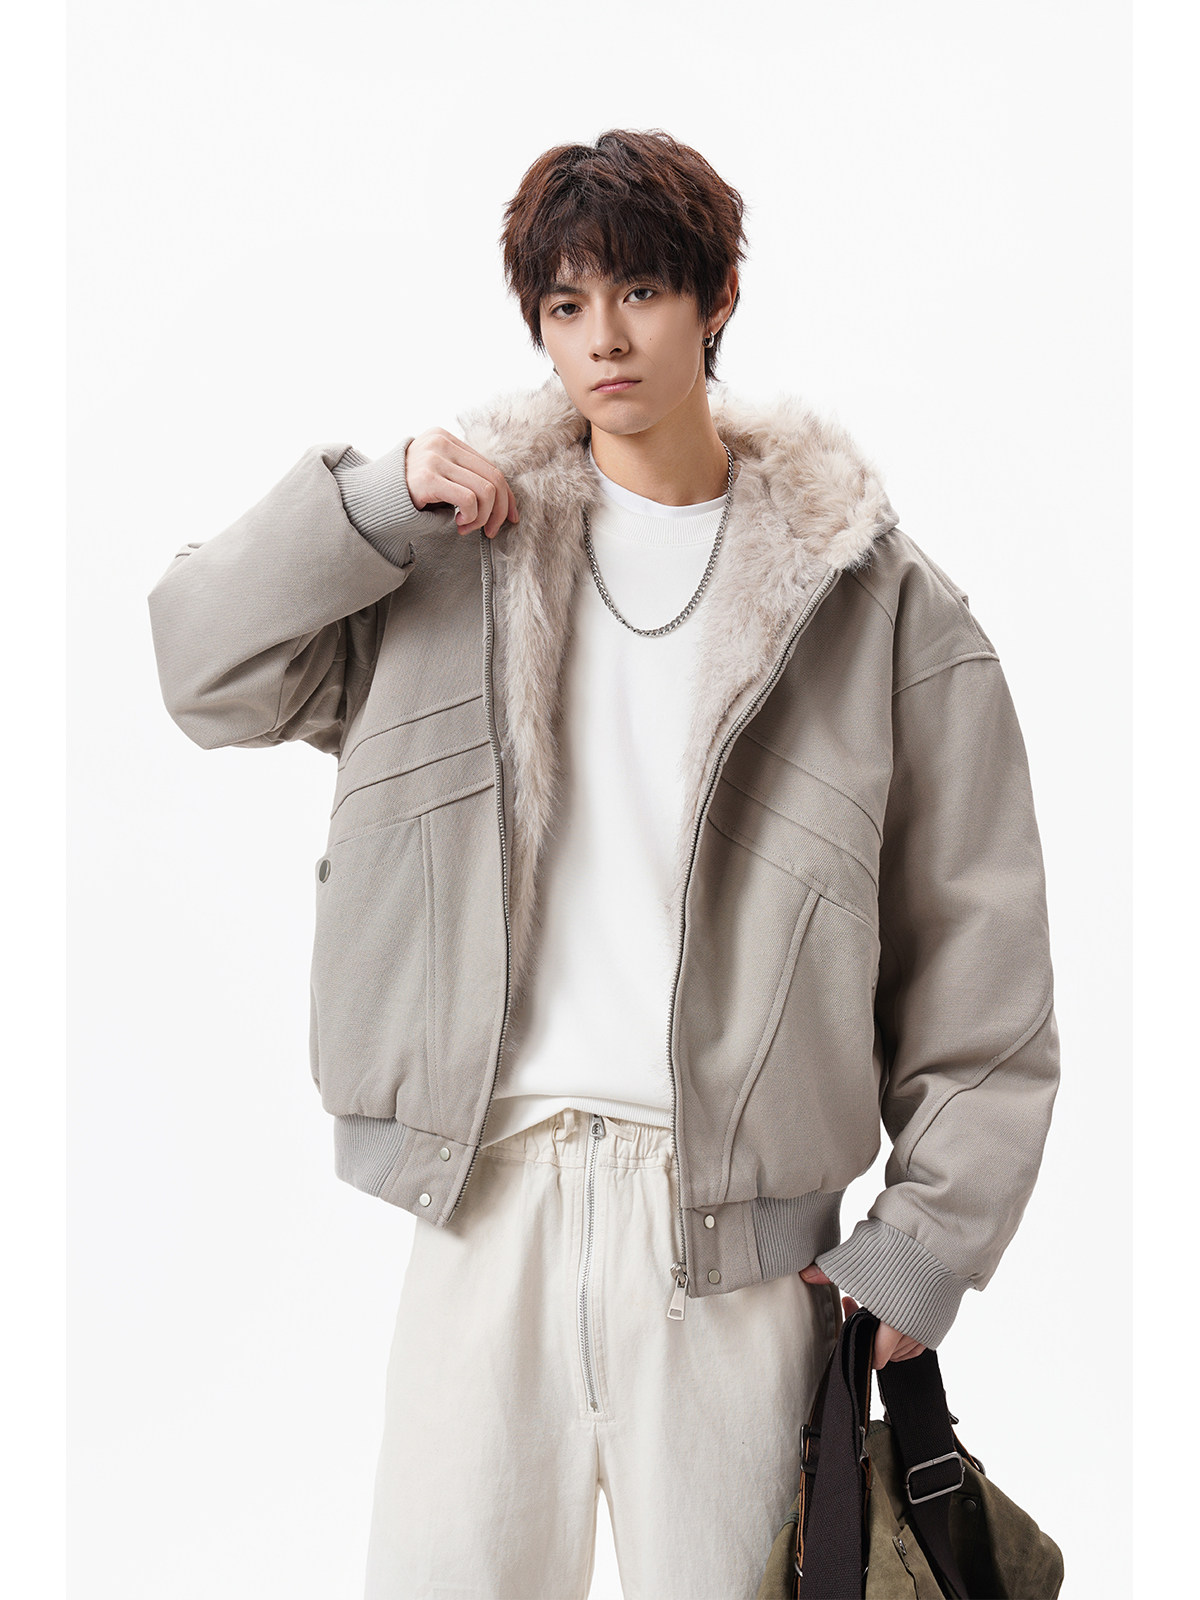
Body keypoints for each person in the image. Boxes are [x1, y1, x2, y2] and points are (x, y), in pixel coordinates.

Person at [146, 128, 1061, 1599]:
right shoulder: (454, 551)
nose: (605, 339)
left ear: (717, 297)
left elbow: (982, 953)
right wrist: (369, 502)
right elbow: (201, 669)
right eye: (566, 305)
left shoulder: (874, 600)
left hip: (735, 1254)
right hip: (484, 1201)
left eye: (639, 291)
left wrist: (925, 1243)